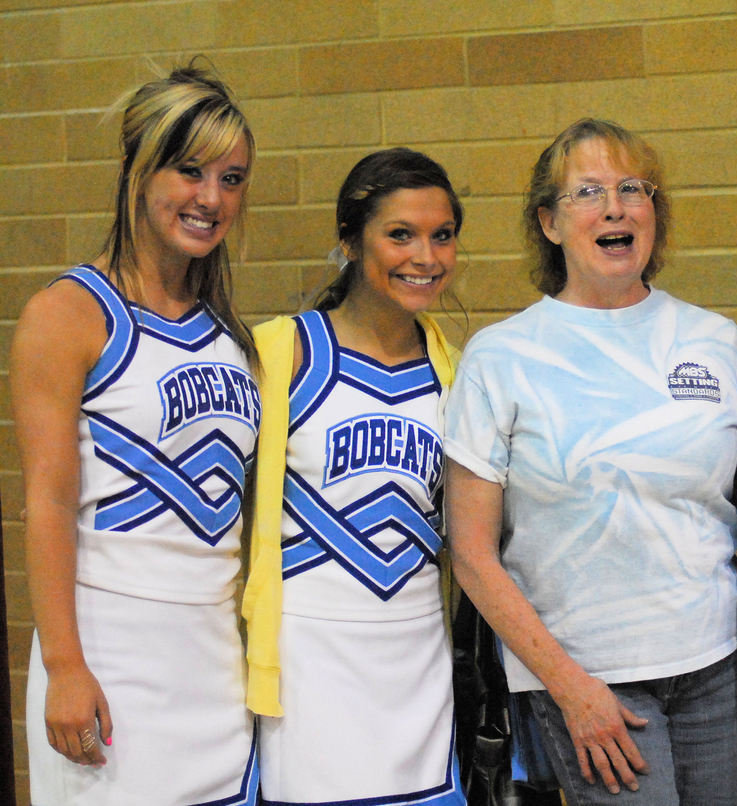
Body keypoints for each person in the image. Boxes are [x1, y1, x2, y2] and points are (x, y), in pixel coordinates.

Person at [443, 118, 737, 805]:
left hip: (713, 667)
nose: (615, 207)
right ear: (549, 223)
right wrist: (568, 686)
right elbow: (470, 553)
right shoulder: (501, 357)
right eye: (588, 192)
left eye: (631, 189)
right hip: (588, 678)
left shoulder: (719, 343)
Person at [12, 63, 260, 803]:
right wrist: (64, 667)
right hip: (110, 660)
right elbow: (48, 502)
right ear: (137, 169)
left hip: (216, 666)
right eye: (190, 171)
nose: (212, 199)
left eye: (233, 177)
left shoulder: (228, 333)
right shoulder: (66, 314)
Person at [242, 148, 466, 804]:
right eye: (400, 234)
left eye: (442, 235)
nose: (425, 256)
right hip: (307, 672)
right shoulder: (278, 352)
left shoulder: (457, 372)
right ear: (349, 241)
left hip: (419, 669)